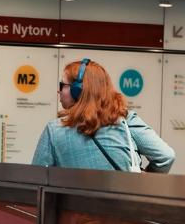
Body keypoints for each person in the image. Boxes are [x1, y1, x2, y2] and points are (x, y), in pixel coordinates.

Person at [32, 58, 174, 172]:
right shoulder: (125, 119)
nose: (59, 91)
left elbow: (36, 180)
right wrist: (141, 183)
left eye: (62, 85)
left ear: (77, 91)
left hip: (76, 208)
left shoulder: (54, 130)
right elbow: (165, 156)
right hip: (124, 207)